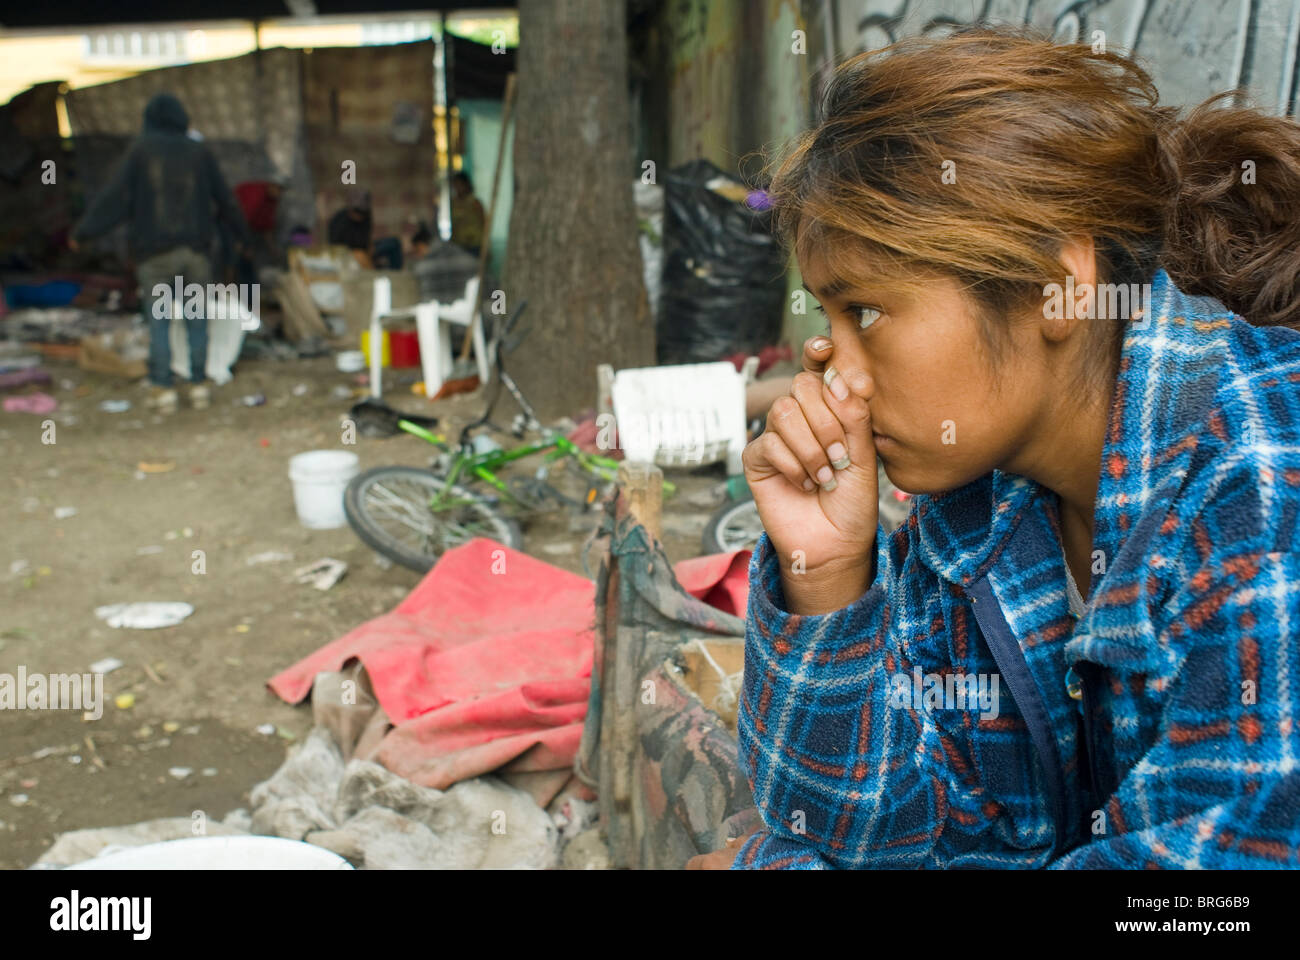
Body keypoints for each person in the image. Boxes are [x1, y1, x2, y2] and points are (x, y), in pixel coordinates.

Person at [690, 26, 1300, 870]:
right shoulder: (984, 512)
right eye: (826, 323)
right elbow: (886, 834)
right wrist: (826, 575)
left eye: (864, 312)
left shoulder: (1264, 483)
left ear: (1058, 289)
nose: (836, 382)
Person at [70, 92, 249, 412]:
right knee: (196, 320)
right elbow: (226, 201)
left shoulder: (141, 151)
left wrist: (83, 233)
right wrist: (244, 238)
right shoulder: (199, 152)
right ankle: (198, 385)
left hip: (155, 256)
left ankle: (164, 387)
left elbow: (115, 199)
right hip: (195, 254)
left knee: (160, 321)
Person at [327, 187, 374, 268]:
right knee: (360, 255)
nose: (359, 216)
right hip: (345, 255)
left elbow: (366, 240)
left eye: (362, 213)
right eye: (357, 212)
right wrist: (357, 254)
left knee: (393, 243)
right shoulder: (339, 221)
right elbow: (336, 247)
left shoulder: (366, 218)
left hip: (363, 252)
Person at [449, 171, 485, 257]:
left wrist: (486, 247)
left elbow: (485, 224)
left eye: (460, 185)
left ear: (466, 185)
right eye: (455, 185)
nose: (457, 188)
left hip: (474, 246)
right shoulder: (453, 203)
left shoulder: (475, 203)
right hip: (458, 245)